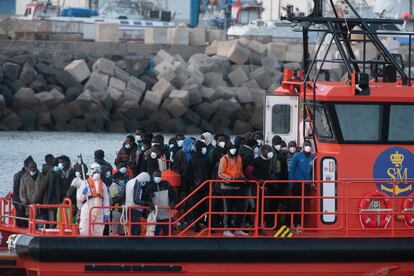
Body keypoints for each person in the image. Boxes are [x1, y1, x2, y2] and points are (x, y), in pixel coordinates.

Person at [218, 143, 248, 237]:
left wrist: (244, 178)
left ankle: (238, 228)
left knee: (240, 207)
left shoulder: (239, 158)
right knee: (228, 209)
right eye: (232, 148)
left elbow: (240, 171)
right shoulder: (224, 159)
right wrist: (232, 179)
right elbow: (220, 174)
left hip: (237, 187)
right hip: (227, 187)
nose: (233, 150)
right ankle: (226, 229)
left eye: (235, 148)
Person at [288, 140, 315, 230]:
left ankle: (300, 224)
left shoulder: (312, 158)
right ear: (303, 146)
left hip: (306, 184)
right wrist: (290, 184)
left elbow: (313, 172)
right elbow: (291, 171)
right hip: (297, 184)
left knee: (303, 205)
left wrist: (312, 182)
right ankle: (292, 223)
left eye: (309, 145)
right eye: (306, 145)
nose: (308, 146)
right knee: (294, 204)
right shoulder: (297, 156)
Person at [77, 163, 110, 236]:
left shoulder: (103, 185)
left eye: (98, 172)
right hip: (87, 209)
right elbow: (80, 199)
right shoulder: (85, 183)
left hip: (99, 210)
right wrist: (84, 193)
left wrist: (106, 214)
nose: (96, 173)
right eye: (95, 172)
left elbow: (106, 200)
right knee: (85, 229)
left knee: (98, 230)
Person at [146, 170, 177, 236]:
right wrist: (149, 201)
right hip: (155, 214)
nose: (158, 177)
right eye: (156, 176)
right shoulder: (149, 186)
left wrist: (172, 203)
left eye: (159, 176)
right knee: (155, 233)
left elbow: (173, 195)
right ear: (153, 177)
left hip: (166, 213)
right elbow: (145, 197)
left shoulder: (166, 184)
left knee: (169, 233)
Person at [189, 140, 211, 231]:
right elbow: (188, 173)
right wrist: (192, 183)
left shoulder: (206, 158)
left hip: (206, 185)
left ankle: (206, 223)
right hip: (196, 186)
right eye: (202, 148)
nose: (204, 149)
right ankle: (196, 224)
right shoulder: (192, 159)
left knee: (207, 205)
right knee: (196, 206)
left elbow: (210, 171)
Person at [13, 156, 33, 227]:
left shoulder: (23, 175)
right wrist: (21, 201)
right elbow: (18, 190)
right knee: (21, 216)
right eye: (30, 167)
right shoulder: (20, 176)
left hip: (21, 200)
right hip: (18, 201)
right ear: (26, 167)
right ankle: (21, 229)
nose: (32, 169)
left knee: (23, 217)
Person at [109, 166, 128, 235]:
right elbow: (115, 199)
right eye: (122, 178)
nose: (123, 180)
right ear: (117, 179)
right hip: (116, 208)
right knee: (115, 227)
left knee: (122, 228)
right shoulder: (114, 186)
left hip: (121, 208)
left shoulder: (120, 186)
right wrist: (125, 194)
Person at [19, 160, 39, 227]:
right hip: (29, 203)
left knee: (39, 219)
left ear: (36, 167)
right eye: (31, 167)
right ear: (29, 168)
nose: (33, 169)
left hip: (39, 203)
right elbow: (22, 191)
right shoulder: (24, 178)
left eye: (34, 167)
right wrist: (24, 200)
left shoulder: (41, 176)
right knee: (30, 219)